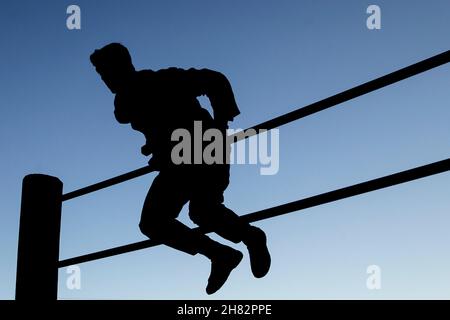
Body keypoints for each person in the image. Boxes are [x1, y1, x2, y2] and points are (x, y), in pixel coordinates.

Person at [90, 43, 270, 294]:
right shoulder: (125, 103)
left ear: (125, 66)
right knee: (154, 222)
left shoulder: (162, 80)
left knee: (203, 211)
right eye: (101, 74)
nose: (105, 79)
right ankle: (221, 254)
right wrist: (156, 149)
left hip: (204, 145)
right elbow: (162, 125)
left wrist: (220, 126)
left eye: (107, 70)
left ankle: (250, 238)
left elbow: (214, 80)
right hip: (178, 161)